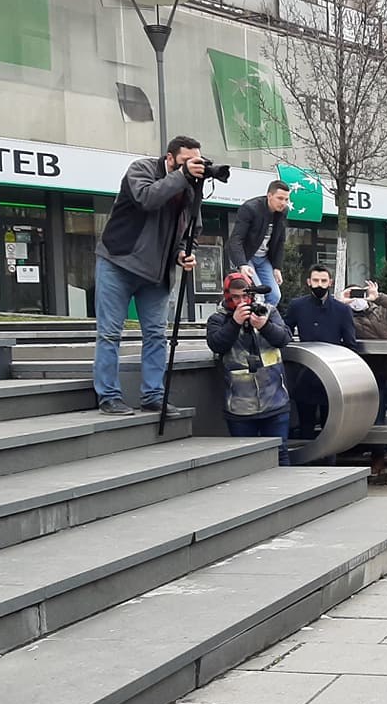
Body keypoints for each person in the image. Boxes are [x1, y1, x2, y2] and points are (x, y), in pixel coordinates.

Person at [93, 135, 204, 417]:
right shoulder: (140, 170)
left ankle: (153, 395)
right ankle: (109, 396)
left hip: (156, 273)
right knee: (109, 333)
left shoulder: (191, 189)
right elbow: (147, 199)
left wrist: (182, 253)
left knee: (156, 335)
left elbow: (192, 230)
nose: (192, 167)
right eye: (184, 162)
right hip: (118, 262)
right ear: (169, 158)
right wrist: (181, 177)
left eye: (196, 162)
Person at [205, 272, 293, 464]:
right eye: (235, 297)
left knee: (280, 454)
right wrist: (235, 322)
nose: (241, 301)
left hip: (275, 400)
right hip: (239, 405)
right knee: (245, 461)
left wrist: (264, 326)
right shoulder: (217, 319)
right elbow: (217, 344)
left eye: (245, 296)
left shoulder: (268, 311)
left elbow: (284, 339)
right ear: (227, 295)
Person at [342, 280, 387, 478]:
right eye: (353, 295)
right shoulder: (345, 315)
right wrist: (341, 303)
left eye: (361, 294)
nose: (358, 299)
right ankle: (378, 458)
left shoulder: (382, 309)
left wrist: (378, 297)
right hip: (369, 375)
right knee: (376, 419)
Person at [285, 264, 359, 455]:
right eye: (316, 280)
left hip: (333, 379)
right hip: (305, 376)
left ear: (330, 283)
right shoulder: (297, 305)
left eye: (323, 281)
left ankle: (330, 463)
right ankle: (308, 465)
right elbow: (284, 332)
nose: (319, 284)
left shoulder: (342, 310)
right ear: (308, 282)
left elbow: (351, 344)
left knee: (332, 427)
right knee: (306, 426)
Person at [225, 180, 290, 307]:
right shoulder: (250, 208)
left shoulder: (283, 212)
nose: (283, 203)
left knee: (275, 295)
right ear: (269, 196)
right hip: (247, 256)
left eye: (286, 199)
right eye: (280, 198)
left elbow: (280, 241)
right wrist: (242, 264)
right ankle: (250, 320)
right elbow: (236, 239)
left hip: (264, 259)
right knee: (258, 294)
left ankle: (264, 322)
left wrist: (277, 267)